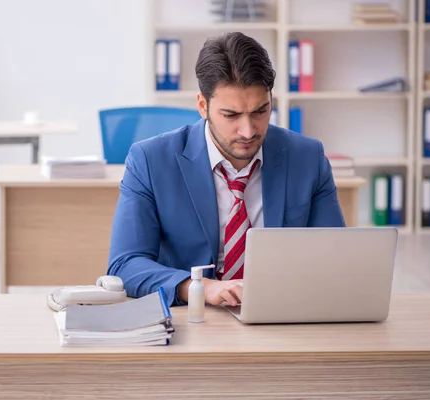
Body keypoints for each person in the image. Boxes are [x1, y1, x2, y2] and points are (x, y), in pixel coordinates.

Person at [107, 32, 345, 307]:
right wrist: (200, 288)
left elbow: (332, 258)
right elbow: (125, 265)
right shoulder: (149, 160)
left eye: (260, 111)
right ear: (202, 105)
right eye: (231, 115)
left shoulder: (308, 158)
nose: (248, 131)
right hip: (192, 318)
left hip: (281, 315)